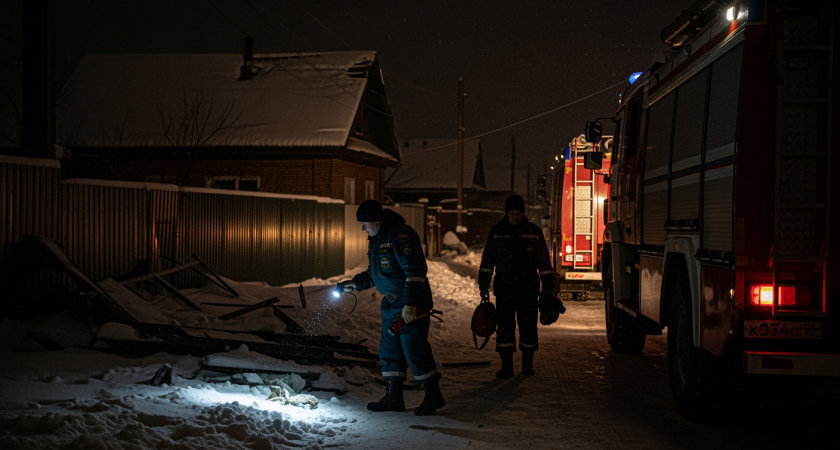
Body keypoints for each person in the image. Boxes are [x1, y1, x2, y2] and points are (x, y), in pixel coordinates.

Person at [336, 200, 445, 416]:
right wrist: (355, 283)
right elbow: (376, 274)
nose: (362, 228)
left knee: (414, 349)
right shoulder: (377, 239)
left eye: (365, 224)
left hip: (409, 303)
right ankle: (393, 397)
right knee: (389, 350)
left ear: (377, 221)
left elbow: (415, 272)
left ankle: (433, 395)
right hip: (391, 305)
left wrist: (410, 304)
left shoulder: (400, 235)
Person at [478, 194, 555, 378]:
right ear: (507, 213)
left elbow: (544, 262)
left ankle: (527, 365)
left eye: (518, 213)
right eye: (512, 213)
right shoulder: (497, 231)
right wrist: (483, 285)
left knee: (528, 327)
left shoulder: (534, 232)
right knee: (504, 328)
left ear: (523, 213)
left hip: (528, 289)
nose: (515, 216)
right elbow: (488, 260)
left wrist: (548, 287)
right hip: (505, 289)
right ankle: (507, 367)